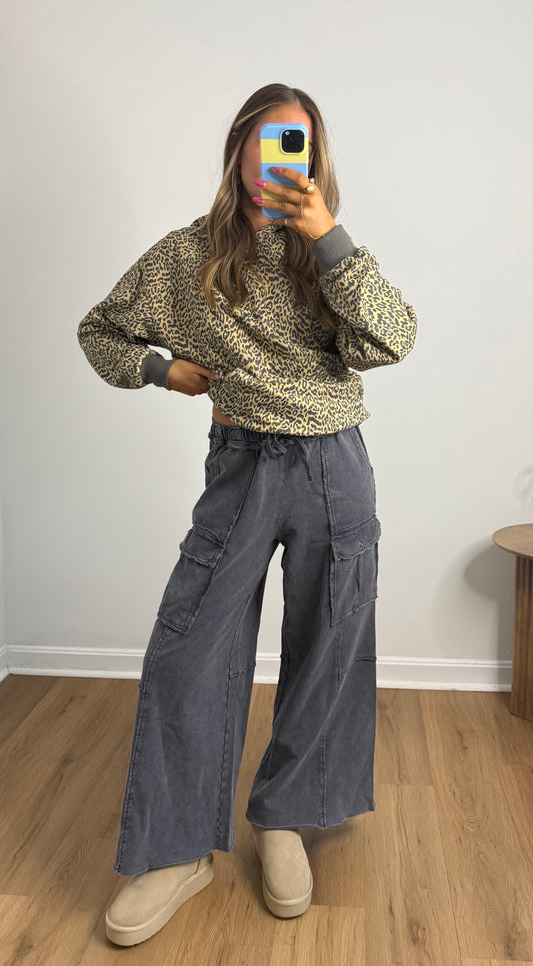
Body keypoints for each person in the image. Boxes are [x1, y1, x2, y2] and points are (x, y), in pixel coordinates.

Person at [77, 82, 417, 946]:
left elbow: (391, 340)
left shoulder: (331, 255)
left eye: (298, 145)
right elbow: (101, 331)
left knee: (329, 641)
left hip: (335, 464)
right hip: (240, 467)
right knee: (189, 647)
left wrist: (326, 235)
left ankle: (284, 818)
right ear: (237, 151)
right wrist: (164, 372)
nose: (281, 161)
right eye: (267, 142)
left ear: (316, 158)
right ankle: (176, 847)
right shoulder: (185, 256)